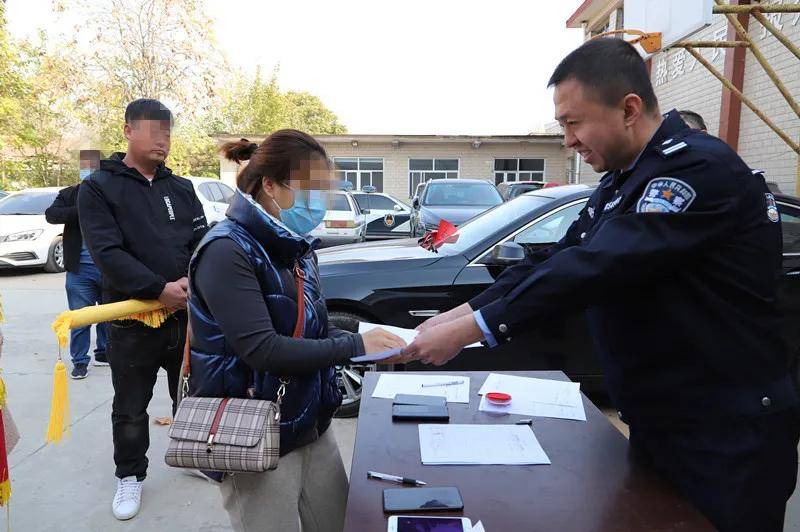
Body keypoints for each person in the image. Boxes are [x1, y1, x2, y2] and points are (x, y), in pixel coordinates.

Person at [399, 38, 800, 532]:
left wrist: (474, 330)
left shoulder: (696, 169)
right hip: (668, 421)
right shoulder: (623, 180)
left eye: (573, 122)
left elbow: (598, 265)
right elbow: (562, 257)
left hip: (727, 434)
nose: (567, 139)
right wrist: (459, 315)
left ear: (629, 108)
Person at [188, 130, 405, 532]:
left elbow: (316, 330)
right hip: (253, 430)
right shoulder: (226, 250)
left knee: (337, 523)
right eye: (311, 190)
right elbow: (263, 350)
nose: (320, 202)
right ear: (270, 184)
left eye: (325, 190)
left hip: (309, 418)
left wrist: (383, 343)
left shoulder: (295, 248)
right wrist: (357, 345)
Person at [78, 99, 208, 521]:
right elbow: (107, 254)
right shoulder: (99, 187)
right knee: (132, 406)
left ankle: (194, 457)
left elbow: (200, 242)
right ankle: (130, 475)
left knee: (189, 394)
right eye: (155, 130)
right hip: (133, 319)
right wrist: (158, 288)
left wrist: (192, 280)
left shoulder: (181, 188)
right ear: (129, 130)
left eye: (168, 132)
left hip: (184, 314)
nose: (163, 140)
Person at [45, 150, 108, 379]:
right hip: (79, 271)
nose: (90, 171)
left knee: (108, 315)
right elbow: (51, 214)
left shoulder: (111, 194)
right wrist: (83, 209)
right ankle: (80, 361)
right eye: (86, 166)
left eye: (94, 167)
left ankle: (104, 353)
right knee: (80, 319)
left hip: (110, 269)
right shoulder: (70, 194)